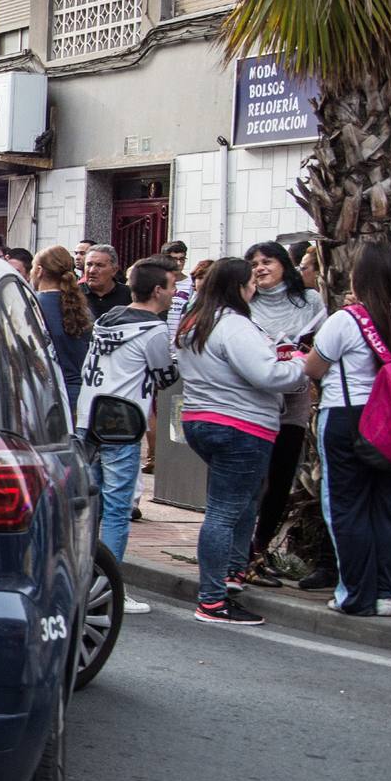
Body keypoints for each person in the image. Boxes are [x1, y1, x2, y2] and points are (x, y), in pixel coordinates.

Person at [175, 258, 307, 625]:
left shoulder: (195, 321)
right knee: (225, 510)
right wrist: (300, 366)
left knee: (243, 500)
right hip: (240, 426)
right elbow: (266, 374)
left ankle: (233, 573)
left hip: (203, 420)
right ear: (236, 286)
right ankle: (213, 600)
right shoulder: (234, 325)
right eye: (251, 281)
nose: (255, 287)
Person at [300, 243, 391, 618]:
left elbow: (314, 368)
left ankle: (354, 595)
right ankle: (385, 594)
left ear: (358, 279)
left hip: (347, 417)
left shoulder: (346, 320)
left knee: (346, 509)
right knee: (386, 509)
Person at [77, 255, 178, 608]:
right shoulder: (153, 329)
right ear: (156, 291)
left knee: (90, 506)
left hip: (87, 418)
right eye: (171, 285)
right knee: (118, 509)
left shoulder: (106, 320)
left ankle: (81, 580)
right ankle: (108, 593)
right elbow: (166, 376)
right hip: (121, 424)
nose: (175, 292)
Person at [236, 240, 330, 590]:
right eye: (254, 263)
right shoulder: (245, 303)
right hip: (256, 397)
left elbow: (321, 343)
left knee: (280, 478)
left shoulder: (309, 300)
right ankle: (240, 554)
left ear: (283, 265)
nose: (260, 268)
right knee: (252, 479)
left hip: (293, 396)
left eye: (267, 261)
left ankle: (261, 550)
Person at [32, 246, 94, 414]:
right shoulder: (82, 308)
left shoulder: (31, 306)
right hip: (80, 390)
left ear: (39, 271)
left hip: (46, 392)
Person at [82, 244, 131, 315]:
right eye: (89, 264)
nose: (92, 270)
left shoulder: (129, 295)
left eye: (99, 265)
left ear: (114, 270)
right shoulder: (73, 294)